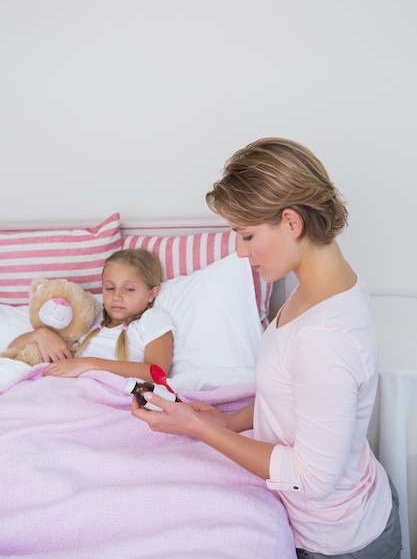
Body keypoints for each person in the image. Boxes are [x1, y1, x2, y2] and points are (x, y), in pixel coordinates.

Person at [130, 138, 402, 558]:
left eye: (247, 235)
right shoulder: (324, 285)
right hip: (347, 514)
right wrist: (227, 421)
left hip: (341, 541)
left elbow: (311, 478)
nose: (240, 252)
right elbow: (296, 403)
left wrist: (199, 429)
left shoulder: (324, 338)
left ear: (292, 223)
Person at [9, 249, 174, 382]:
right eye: (109, 288)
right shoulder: (90, 317)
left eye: (129, 289)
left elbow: (156, 373)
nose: (117, 296)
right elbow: (12, 350)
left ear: (152, 293)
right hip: (64, 386)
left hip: (102, 389)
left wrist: (88, 364)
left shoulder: (152, 318)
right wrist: (40, 335)